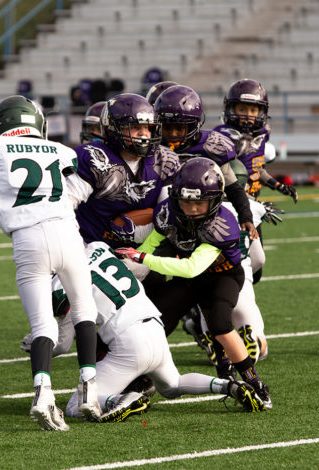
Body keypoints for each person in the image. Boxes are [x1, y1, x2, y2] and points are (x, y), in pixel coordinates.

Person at [0, 95, 101, 430]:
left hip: (27, 238)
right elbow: (76, 176)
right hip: (67, 232)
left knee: (43, 326)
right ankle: (90, 390)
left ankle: (43, 393)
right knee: (85, 312)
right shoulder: (61, 150)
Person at [43, 242, 266, 420]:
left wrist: (38, 343)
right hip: (154, 325)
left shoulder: (59, 282)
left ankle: (122, 399)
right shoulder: (99, 247)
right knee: (173, 385)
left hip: (128, 340)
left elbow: (63, 342)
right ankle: (229, 385)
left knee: (75, 406)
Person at [116, 157, 272, 410]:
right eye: (187, 201)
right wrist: (130, 263)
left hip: (222, 276)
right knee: (156, 320)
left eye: (200, 202)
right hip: (190, 279)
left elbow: (191, 268)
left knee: (220, 324)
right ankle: (137, 377)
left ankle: (254, 382)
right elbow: (152, 242)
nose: (193, 208)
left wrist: (142, 258)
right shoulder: (168, 211)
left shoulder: (222, 224)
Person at [69, 93, 180, 251]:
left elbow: (168, 215)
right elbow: (63, 207)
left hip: (146, 249)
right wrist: (79, 250)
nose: (143, 134)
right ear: (113, 129)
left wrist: (143, 256)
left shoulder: (164, 159)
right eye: (135, 127)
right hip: (92, 247)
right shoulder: (93, 158)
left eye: (147, 127)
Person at [154, 85, 258, 241]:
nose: (173, 134)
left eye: (179, 128)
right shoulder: (153, 148)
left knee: (257, 257)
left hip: (208, 215)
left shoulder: (212, 146)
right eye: (167, 128)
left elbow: (233, 188)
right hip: (167, 215)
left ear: (193, 125)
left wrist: (246, 217)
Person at [214, 79, 297, 203]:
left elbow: (257, 169)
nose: (248, 115)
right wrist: (256, 204)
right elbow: (228, 178)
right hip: (231, 201)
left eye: (253, 110)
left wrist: (278, 186)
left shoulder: (261, 134)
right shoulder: (224, 135)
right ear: (231, 109)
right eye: (242, 109)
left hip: (252, 198)